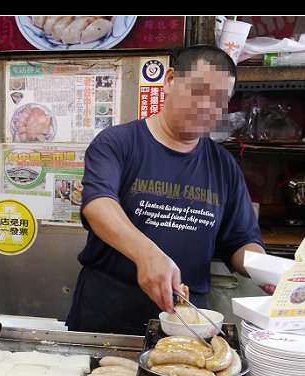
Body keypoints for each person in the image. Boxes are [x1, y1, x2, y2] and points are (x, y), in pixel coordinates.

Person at [67, 45, 268, 336]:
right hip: (109, 311)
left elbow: (240, 241)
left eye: (219, 99)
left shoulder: (223, 165)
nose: (206, 107)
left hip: (186, 318)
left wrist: (270, 271)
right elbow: (98, 203)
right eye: (198, 91)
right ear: (171, 80)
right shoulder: (118, 143)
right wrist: (147, 254)